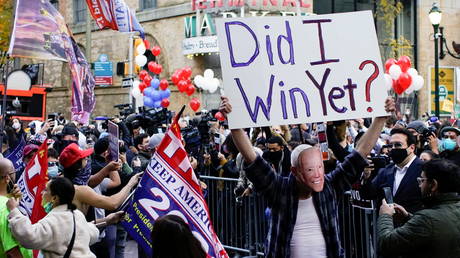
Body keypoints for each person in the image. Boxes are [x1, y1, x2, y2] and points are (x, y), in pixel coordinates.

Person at [219, 96, 395, 258]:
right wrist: (233, 120)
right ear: (295, 171)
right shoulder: (278, 189)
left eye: (320, 167)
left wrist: (380, 119)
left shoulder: (330, 186)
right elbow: (251, 156)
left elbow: (360, 153)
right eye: (309, 170)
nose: (318, 175)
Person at [378, 159, 460, 258]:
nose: (420, 185)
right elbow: (438, 228)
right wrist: (408, 218)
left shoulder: (426, 219)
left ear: (433, 185)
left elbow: (386, 244)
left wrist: (385, 215)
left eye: (422, 180)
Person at [6, 177, 99, 257]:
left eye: (46, 190)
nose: (42, 193)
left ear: (54, 198)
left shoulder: (53, 221)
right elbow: (93, 234)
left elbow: (28, 236)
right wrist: (90, 226)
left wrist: (14, 211)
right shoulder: (78, 215)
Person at [360, 128, 424, 214]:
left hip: (416, 224)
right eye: (391, 145)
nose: (393, 148)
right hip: (389, 225)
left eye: (398, 145)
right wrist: (366, 176)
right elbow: (369, 194)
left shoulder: (424, 168)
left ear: (411, 148)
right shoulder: (386, 170)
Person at [0, 158, 32, 258]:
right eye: (13, 172)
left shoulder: (9, 202)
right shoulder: (6, 208)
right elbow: (12, 251)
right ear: (7, 178)